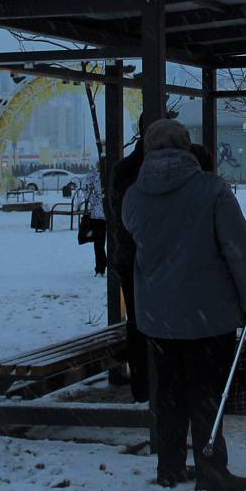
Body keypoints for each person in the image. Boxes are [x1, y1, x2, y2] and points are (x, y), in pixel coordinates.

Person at [122, 118, 246, 491]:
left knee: (168, 394)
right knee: (206, 393)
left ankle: (169, 465)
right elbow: (237, 250)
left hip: (157, 314)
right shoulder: (212, 190)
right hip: (208, 313)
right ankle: (211, 467)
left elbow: (135, 237)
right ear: (187, 147)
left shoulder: (135, 195)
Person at [107, 128, 148, 406]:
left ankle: (142, 383)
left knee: (137, 323)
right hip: (149, 258)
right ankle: (151, 384)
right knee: (152, 324)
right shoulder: (148, 171)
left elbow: (114, 211)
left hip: (128, 257)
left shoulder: (123, 169)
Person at [79, 169, 107, 276]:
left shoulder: (97, 175)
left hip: (102, 213)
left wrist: (93, 199)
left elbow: (86, 187)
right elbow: (86, 186)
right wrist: (93, 199)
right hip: (101, 214)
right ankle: (101, 266)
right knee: (99, 243)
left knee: (100, 243)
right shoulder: (97, 175)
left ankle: (102, 266)